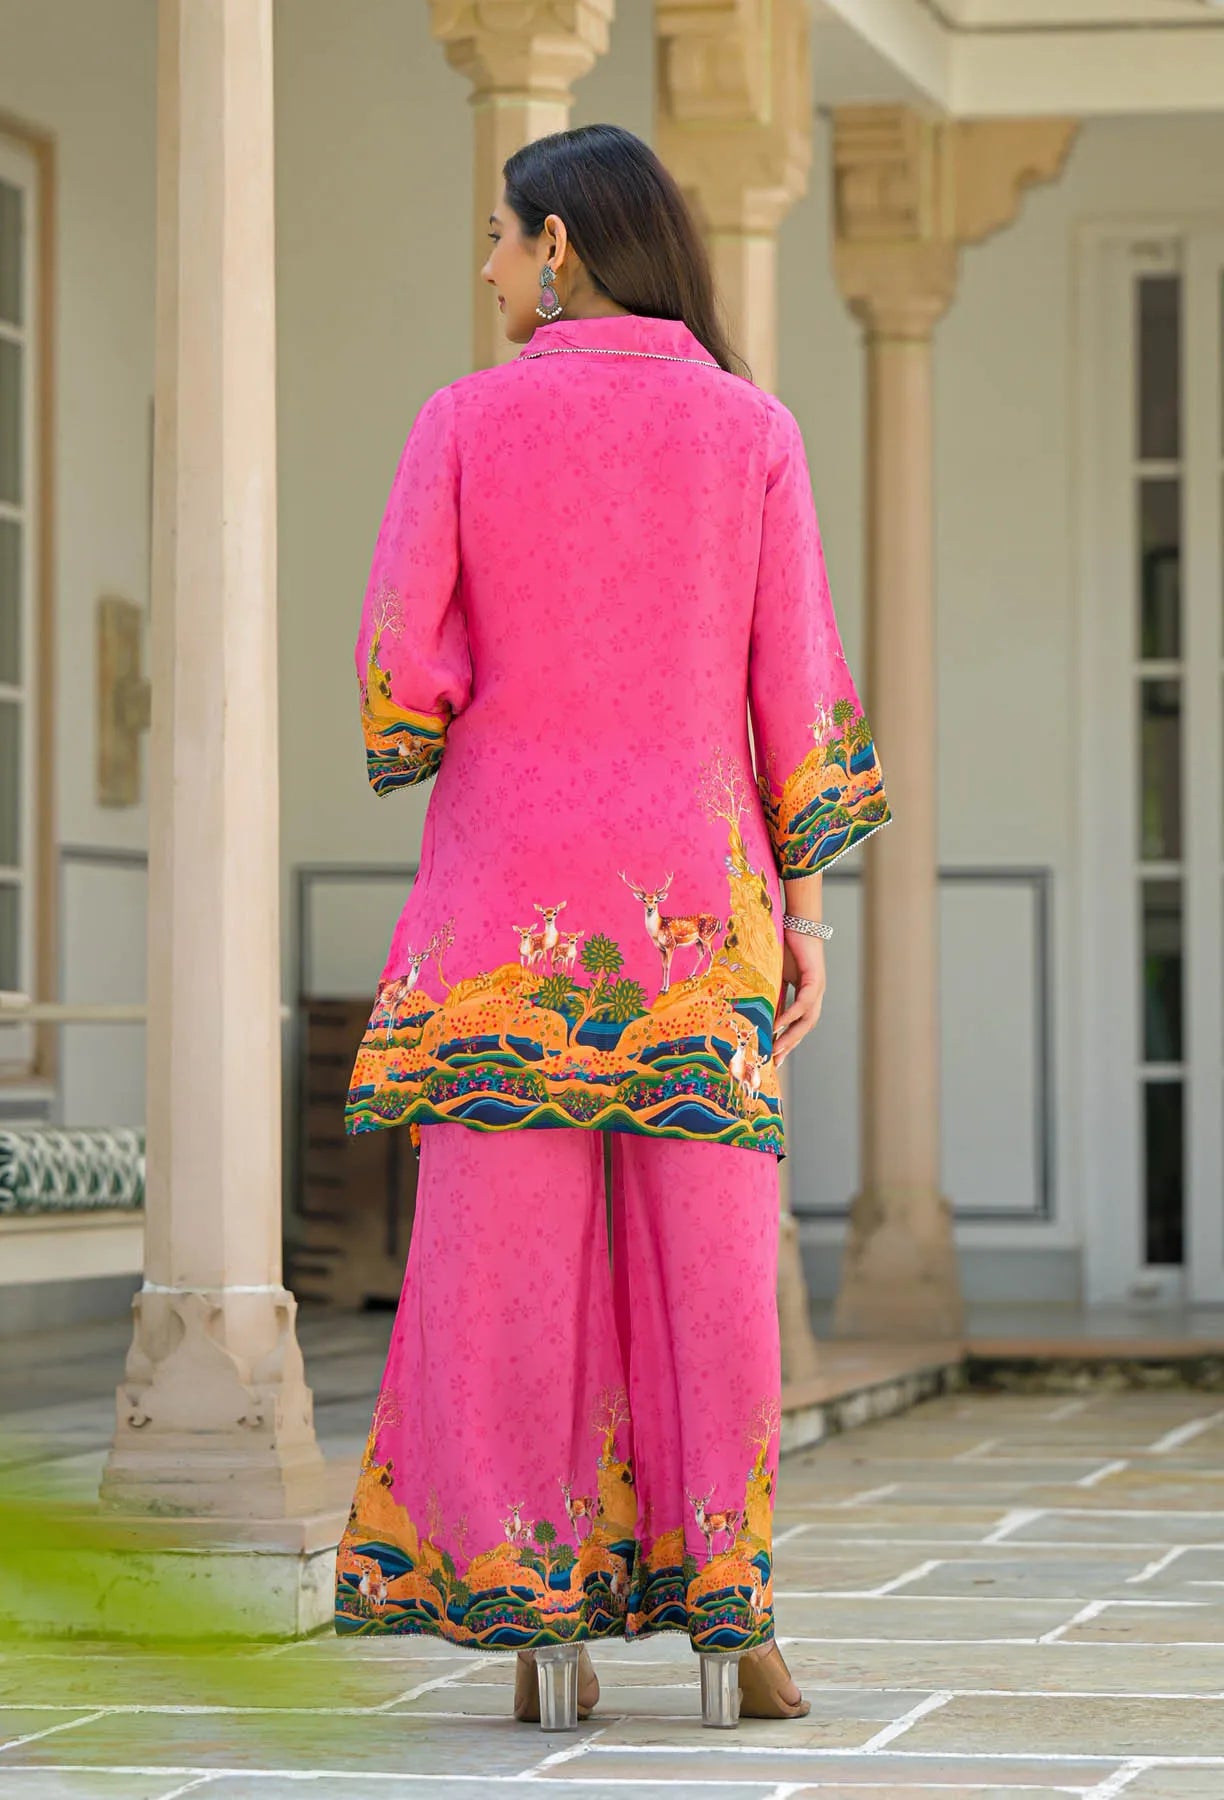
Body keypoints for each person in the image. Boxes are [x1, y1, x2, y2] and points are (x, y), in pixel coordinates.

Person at [334, 123, 891, 1732]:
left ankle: (537, 1629)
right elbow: (797, 688)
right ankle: (734, 1625)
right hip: (694, 908)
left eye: (501, 238)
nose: (490, 268)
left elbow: (402, 675)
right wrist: (808, 916)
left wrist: (467, 720)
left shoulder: (460, 421)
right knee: (714, 1269)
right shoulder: (753, 431)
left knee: (505, 1269)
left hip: (504, 913)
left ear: (562, 244)